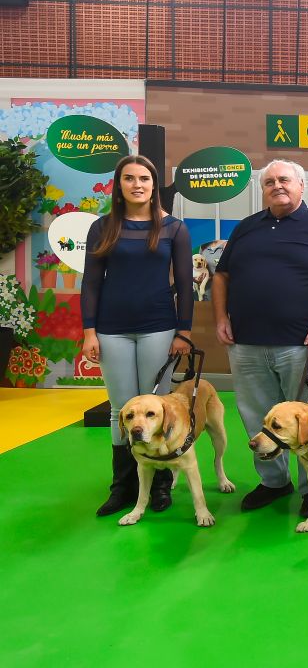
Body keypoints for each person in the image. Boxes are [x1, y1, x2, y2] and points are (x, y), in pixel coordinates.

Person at [212, 158, 308, 516]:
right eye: (270, 182)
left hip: (303, 346)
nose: (277, 186)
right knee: (257, 415)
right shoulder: (246, 229)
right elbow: (221, 276)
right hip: (245, 343)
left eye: (285, 180)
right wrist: (220, 317)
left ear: (301, 185)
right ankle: (274, 482)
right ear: (263, 190)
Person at [82, 155, 193, 517]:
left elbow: (187, 289)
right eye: (128, 178)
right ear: (119, 185)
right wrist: (89, 332)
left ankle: (160, 486)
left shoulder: (173, 228)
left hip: (159, 328)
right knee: (121, 410)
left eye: (144, 178)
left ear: (153, 184)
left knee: (156, 406)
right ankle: (122, 488)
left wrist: (184, 332)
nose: (137, 184)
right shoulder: (102, 227)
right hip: (110, 329)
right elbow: (91, 284)